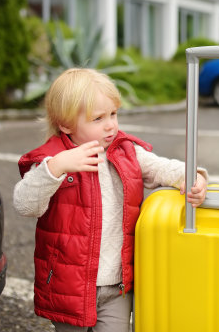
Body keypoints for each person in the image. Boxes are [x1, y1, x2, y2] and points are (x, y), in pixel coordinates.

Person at [14, 68, 207, 332]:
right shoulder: (53, 160)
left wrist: (192, 176)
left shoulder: (126, 151)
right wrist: (56, 168)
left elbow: (161, 167)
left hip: (116, 284)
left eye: (113, 114)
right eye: (98, 118)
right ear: (66, 124)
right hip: (69, 284)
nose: (110, 125)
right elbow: (25, 204)